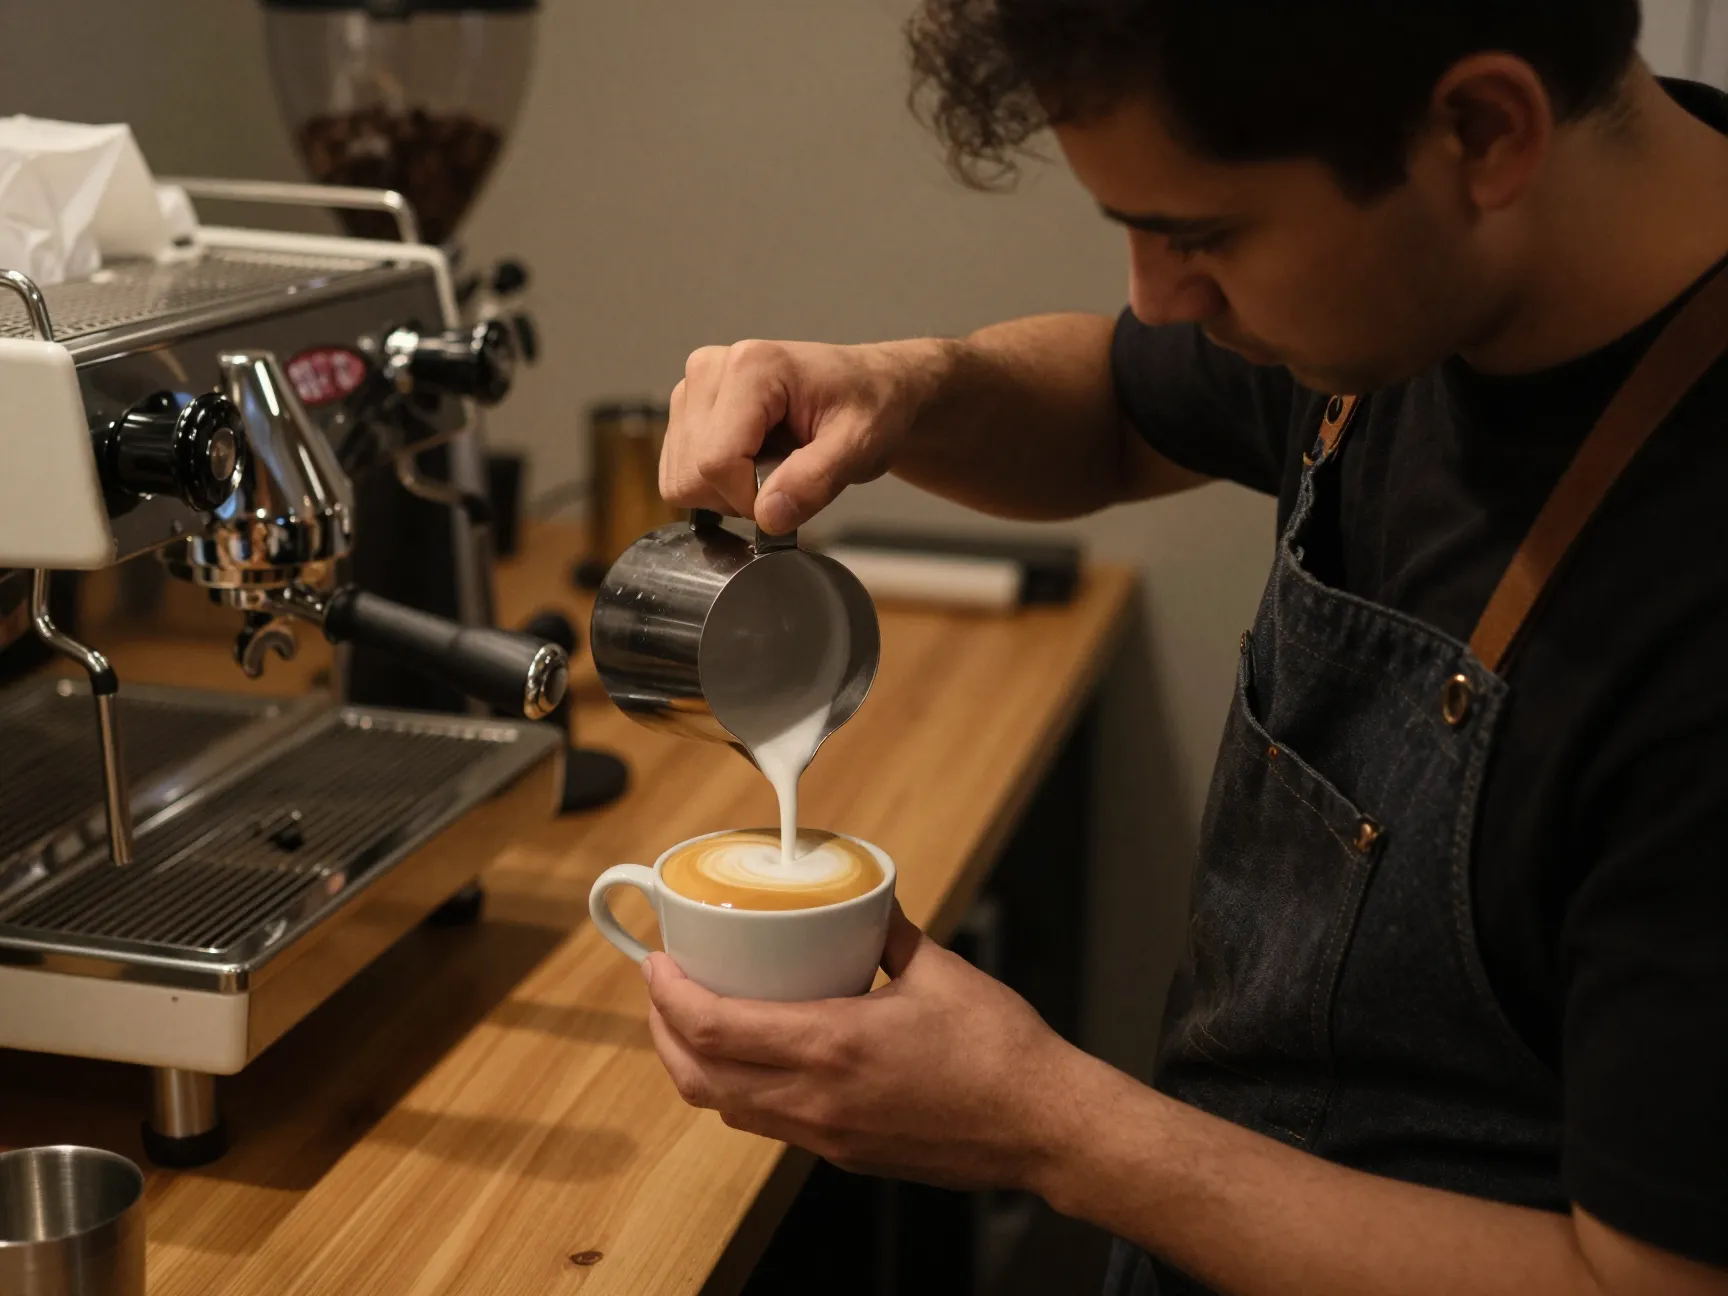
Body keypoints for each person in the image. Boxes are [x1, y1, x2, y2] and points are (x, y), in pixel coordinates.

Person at [642, 3, 1728, 1293]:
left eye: (1202, 235)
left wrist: (1050, 1127)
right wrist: (906, 386)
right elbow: (1113, 409)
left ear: (1484, 133)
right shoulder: (1446, 270)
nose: (1159, 296)